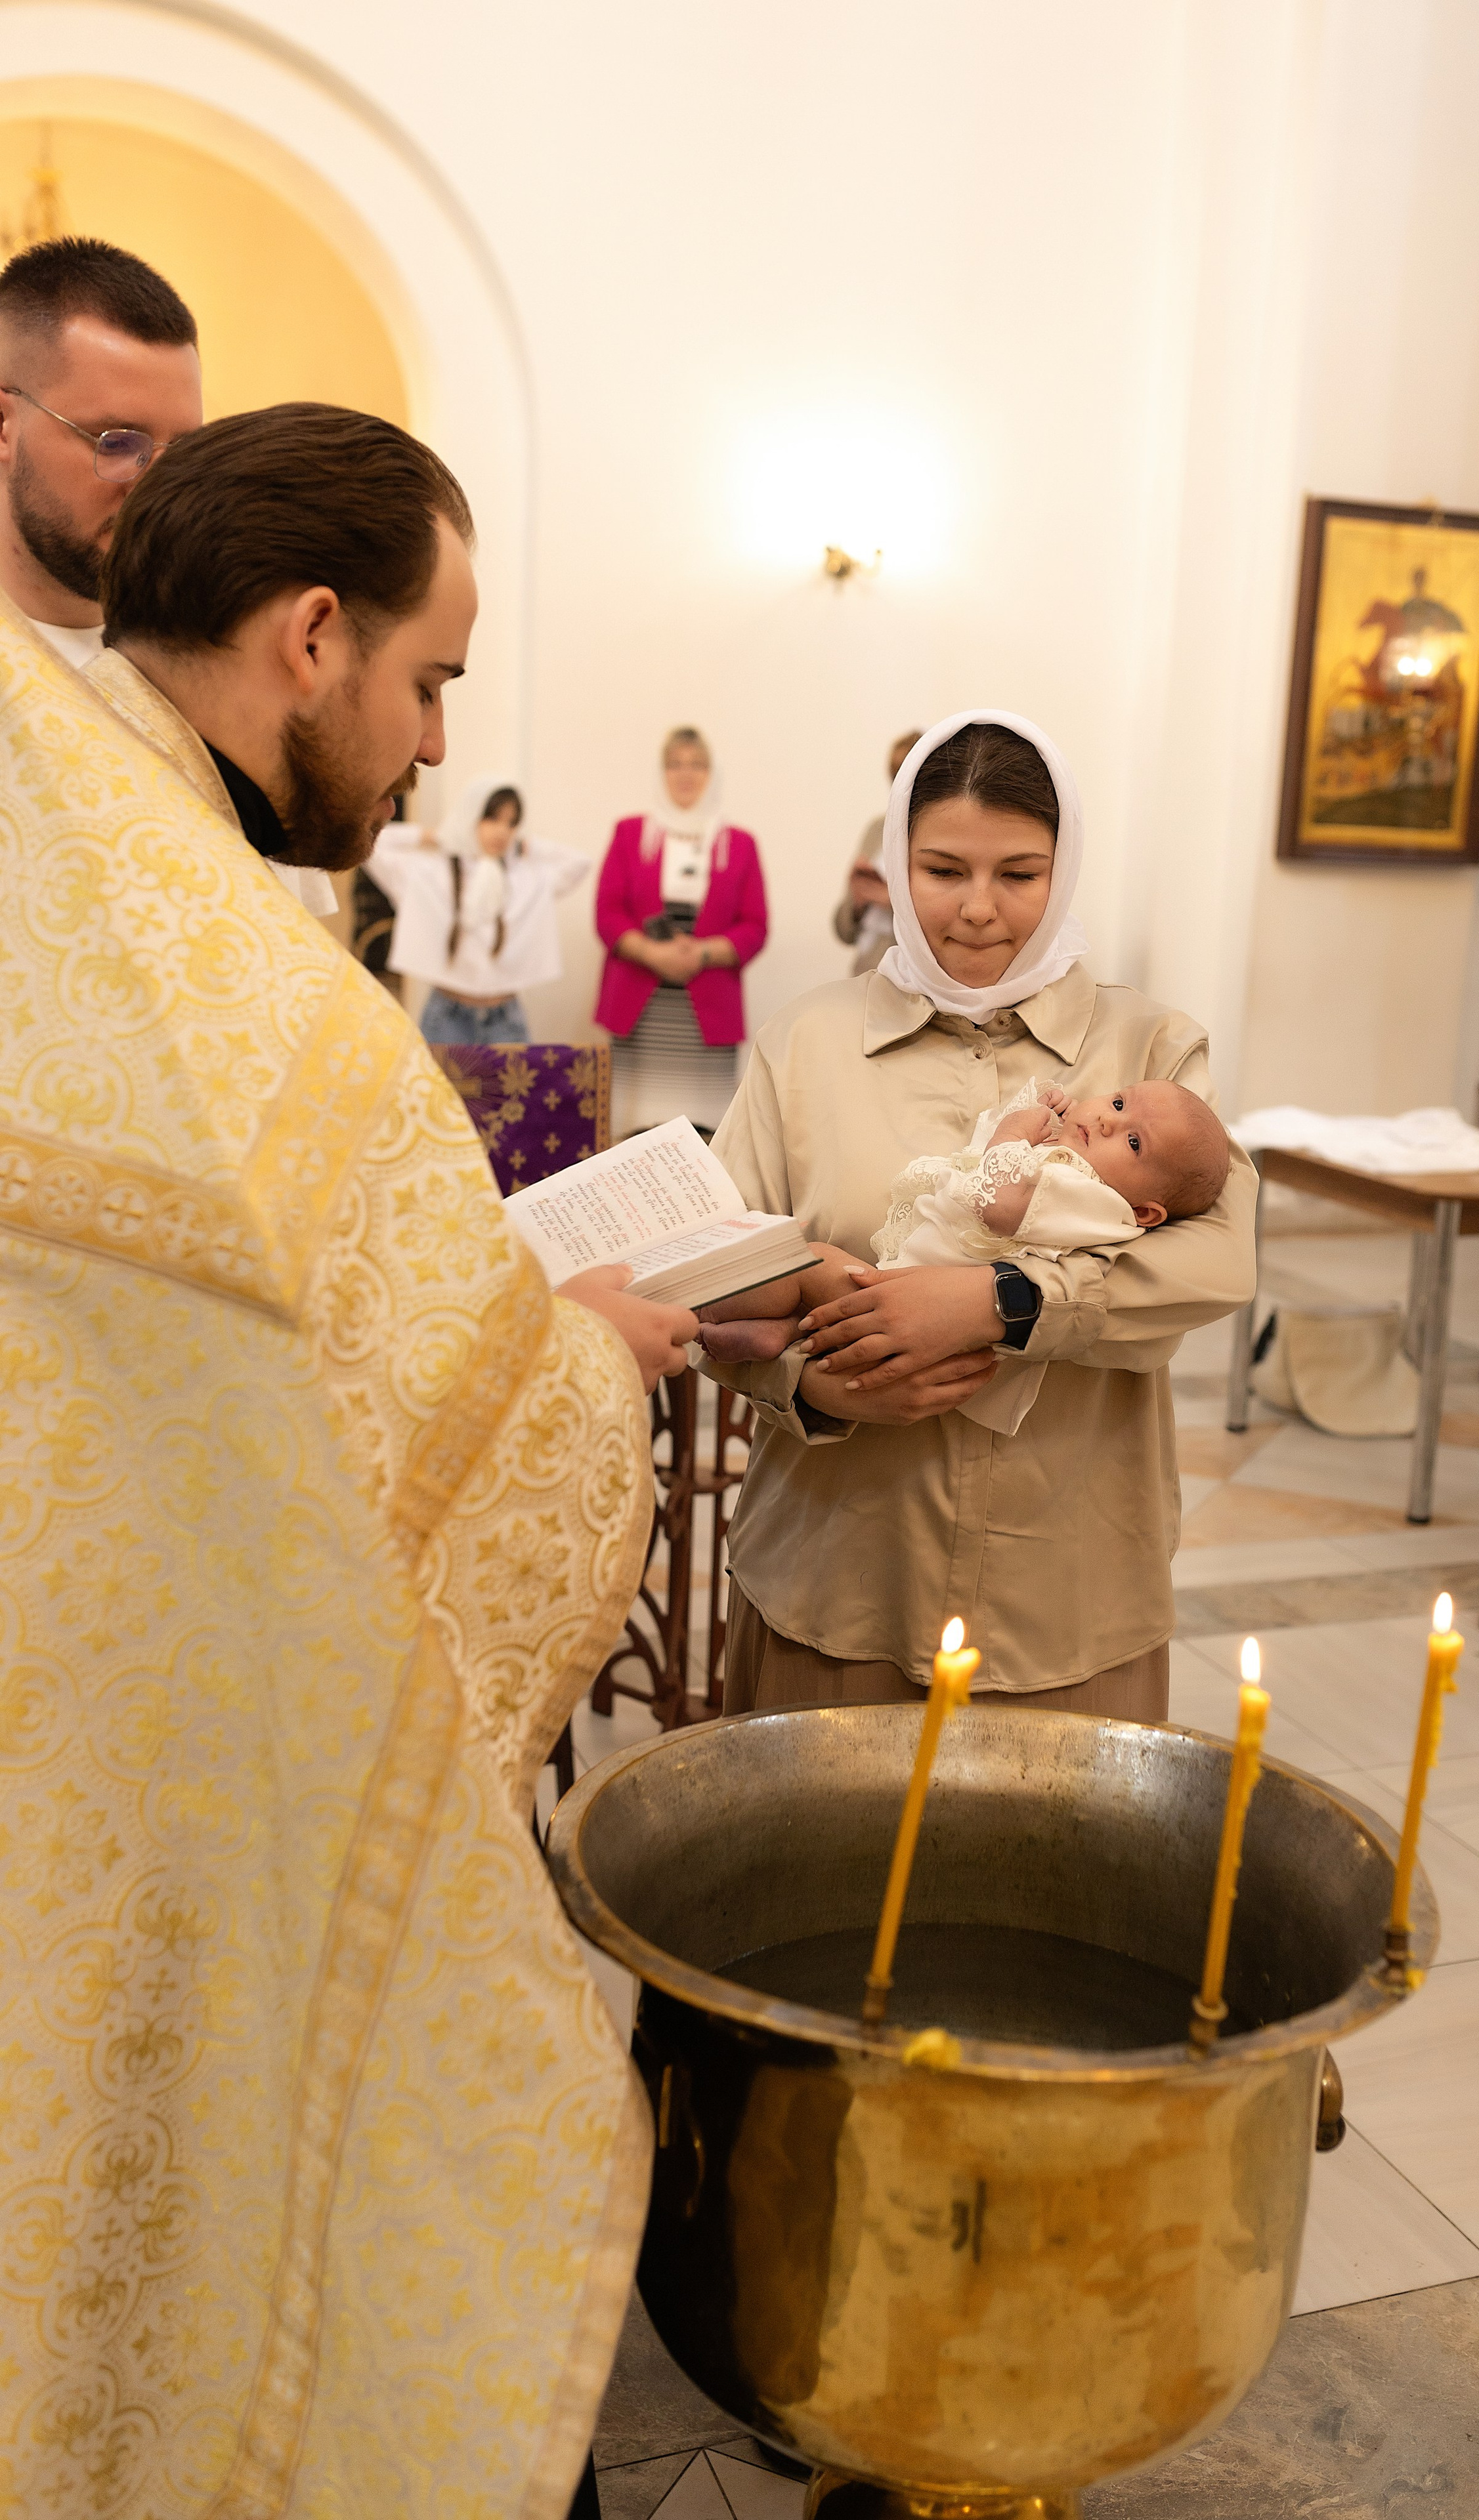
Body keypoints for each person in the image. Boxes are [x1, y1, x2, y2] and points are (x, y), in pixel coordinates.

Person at [0, 402, 696, 2515]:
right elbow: (456, 1456)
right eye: (430, 680)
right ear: (313, 634)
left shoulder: (50, 796)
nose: (424, 745)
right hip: (165, 1756)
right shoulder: (267, 991)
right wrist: (591, 1353)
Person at [702, 709, 1257, 1716]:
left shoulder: (1152, 1049)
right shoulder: (805, 1044)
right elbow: (716, 1277)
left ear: (1066, 869)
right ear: (893, 865)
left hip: (1066, 1599)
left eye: (1020, 874)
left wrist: (1002, 1301)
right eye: (942, 869)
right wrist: (822, 1391)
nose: (978, 911)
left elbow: (1218, 1263)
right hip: (839, 1577)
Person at [698, 1076, 1232, 1435]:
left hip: (905, 1301)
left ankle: (702, 1309)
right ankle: (775, 1334)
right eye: (1117, 1103)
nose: (1110, 1122)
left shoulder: (1096, 1198)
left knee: (807, 1259)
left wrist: (1015, 1132)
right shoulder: (1083, 1184)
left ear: (1147, 1214)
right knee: (812, 1298)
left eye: (1135, 1143)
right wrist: (1049, 1117)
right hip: (909, 1303)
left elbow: (999, 1202)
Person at [0, 234, 201, 671]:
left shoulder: (203, 661)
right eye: (118, 442)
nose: (158, 491)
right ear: (4, 426)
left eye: (185, 449)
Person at [595, 725, 767, 1135]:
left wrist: (703, 954)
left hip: (707, 1015)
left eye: (697, 764)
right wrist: (652, 954)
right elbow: (607, 913)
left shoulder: (739, 843)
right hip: (640, 1011)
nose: (685, 774)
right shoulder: (630, 834)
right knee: (629, 1132)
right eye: (675, 764)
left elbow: (755, 926)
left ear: (713, 774)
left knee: (703, 1136)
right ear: (661, 772)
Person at [373, 772, 591, 1043]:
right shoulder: (431, 874)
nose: (502, 831)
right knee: (439, 1087)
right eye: (492, 818)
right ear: (470, 816)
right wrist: (436, 836)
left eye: (512, 823)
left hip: (506, 1018)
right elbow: (374, 847)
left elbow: (580, 863)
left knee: (514, 1087)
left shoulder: (523, 879)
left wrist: (527, 846)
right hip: (447, 1016)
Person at [834, 726, 922, 973]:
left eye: (909, 769)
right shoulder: (877, 830)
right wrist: (857, 901)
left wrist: (893, 902)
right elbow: (844, 931)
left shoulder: (943, 835)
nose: (901, 780)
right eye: (895, 772)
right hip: (867, 971)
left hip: (913, 978)